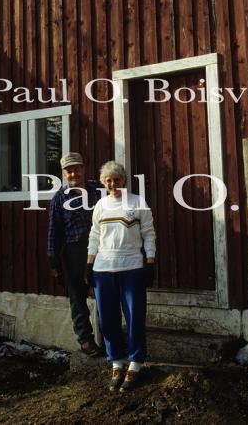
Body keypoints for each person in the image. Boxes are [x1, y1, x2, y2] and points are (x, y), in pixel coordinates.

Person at [86, 160, 156, 392]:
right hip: (103, 269)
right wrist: (89, 264)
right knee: (107, 319)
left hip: (132, 267)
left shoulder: (137, 202)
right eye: (109, 181)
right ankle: (116, 363)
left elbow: (148, 233)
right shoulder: (101, 205)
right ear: (104, 184)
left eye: (117, 179)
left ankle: (135, 364)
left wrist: (150, 261)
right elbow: (94, 235)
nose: (113, 184)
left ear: (124, 181)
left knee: (135, 317)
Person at [47, 152, 102, 356]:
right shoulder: (59, 198)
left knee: (103, 295)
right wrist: (54, 263)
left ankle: (107, 339)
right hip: (75, 252)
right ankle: (86, 340)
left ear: (83, 168)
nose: (73, 173)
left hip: (101, 250)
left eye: (77, 168)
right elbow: (54, 233)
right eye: (69, 170)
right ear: (63, 173)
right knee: (77, 298)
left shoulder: (99, 189)